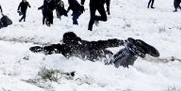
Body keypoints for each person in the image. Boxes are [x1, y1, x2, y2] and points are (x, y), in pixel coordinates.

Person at [29, 32, 159, 68]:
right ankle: (130, 48)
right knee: (116, 61)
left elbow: (51, 49)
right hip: (105, 55)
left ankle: (131, 50)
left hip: (101, 61)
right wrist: (120, 41)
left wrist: (40, 49)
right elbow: (103, 43)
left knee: (114, 65)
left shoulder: (64, 48)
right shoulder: (85, 43)